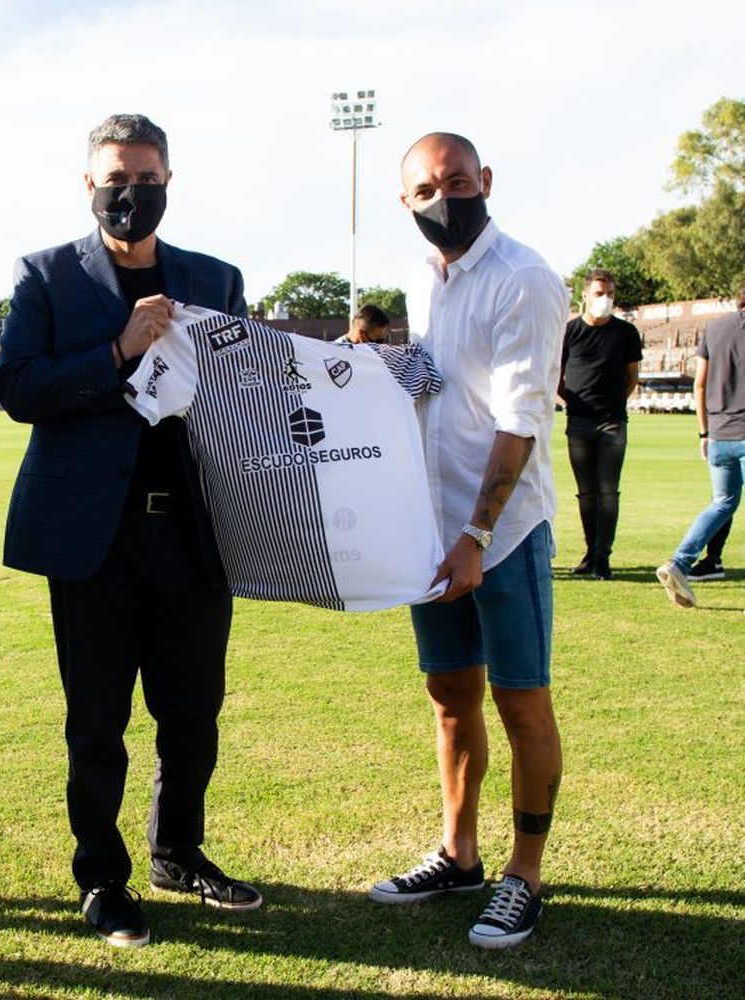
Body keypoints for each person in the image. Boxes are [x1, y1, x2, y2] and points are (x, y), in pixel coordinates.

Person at [0, 113, 260, 950]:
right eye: (116, 177)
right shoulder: (44, 275)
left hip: (193, 531)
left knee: (193, 712)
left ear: (168, 182)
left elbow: (245, 390)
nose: (131, 192)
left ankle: (177, 851)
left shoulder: (216, 279)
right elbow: (18, 388)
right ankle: (102, 878)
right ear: (88, 184)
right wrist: (118, 349)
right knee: (97, 718)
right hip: (92, 539)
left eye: (147, 178)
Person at [370, 132, 567, 950]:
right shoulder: (426, 277)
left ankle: (524, 871)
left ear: (484, 180)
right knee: (450, 700)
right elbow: (439, 378)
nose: (442, 197)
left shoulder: (524, 278)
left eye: (455, 181)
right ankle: (459, 854)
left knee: (521, 699)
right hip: (433, 528)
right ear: (406, 203)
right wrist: (376, 366)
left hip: (503, 532)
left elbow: (521, 418)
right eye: (424, 189)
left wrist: (480, 534)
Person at [655, 285, 745, 608]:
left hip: (720, 434)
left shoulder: (715, 329)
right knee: (724, 504)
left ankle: (679, 562)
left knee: (722, 503)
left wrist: (704, 433)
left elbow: (700, 383)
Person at [558, 268, 642, 579]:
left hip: (612, 423)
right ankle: (589, 551)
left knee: (608, 491)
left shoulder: (625, 333)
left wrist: (614, 404)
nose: (605, 299)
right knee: (586, 492)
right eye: (599, 294)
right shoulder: (570, 331)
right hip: (579, 421)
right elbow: (557, 374)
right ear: (585, 296)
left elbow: (632, 378)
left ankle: (602, 557)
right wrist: (572, 402)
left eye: (609, 294)